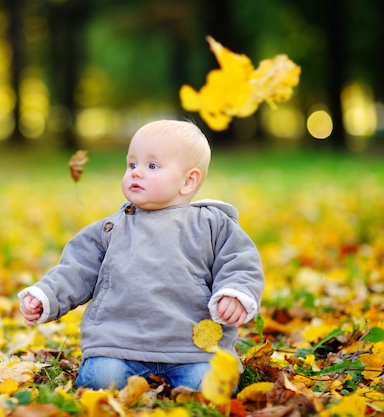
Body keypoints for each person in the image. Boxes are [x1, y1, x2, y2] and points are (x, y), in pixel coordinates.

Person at [18, 120, 265, 391]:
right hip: (119, 345)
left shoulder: (211, 224)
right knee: (99, 380)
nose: (136, 173)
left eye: (152, 166)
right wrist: (46, 295)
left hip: (192, 349)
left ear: (188, 180)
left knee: (209, 385)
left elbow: (240, 262)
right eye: (132, 165)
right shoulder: (111, 228)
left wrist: (234, 293)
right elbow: (77, 267)